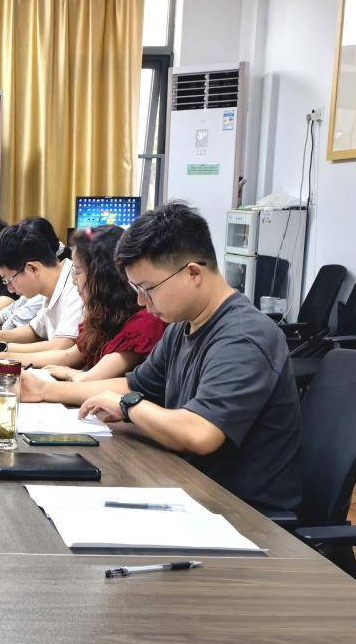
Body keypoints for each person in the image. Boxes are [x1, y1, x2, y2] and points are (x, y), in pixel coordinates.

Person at [22, 201, 301, 512]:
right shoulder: (182, 325)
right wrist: (46, 390)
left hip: (239, 512)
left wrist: (128, 407)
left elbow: (199, 433)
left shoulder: (243, 336)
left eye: (148, 288)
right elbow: (132, 385)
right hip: (186, 482)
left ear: (193, 272)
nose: (141, 302)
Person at [29, 225, 165, 400]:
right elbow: (69, 356)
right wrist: (1, 356)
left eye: (77, 272)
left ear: (102, 276)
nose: (73, 281)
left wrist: (68, 376)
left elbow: (88, 380)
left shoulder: (145, 322)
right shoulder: (104, 315)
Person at [0, 217, 83, 365]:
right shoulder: (49, 284)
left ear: (32, 268)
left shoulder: (76, 285)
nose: (10, 288)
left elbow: (61, 346)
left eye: (9, 280)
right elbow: (35, 331)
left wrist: (0, 351)